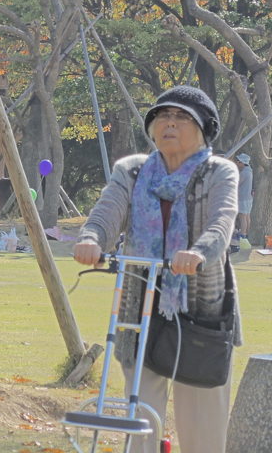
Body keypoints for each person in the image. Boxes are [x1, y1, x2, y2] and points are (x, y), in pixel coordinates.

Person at [73, 85, 240, 453]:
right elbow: (106, 213)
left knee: (202, 420)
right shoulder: (132, 171)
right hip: (140, 303)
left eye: (182, 117)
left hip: (200, 306)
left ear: (202, 129)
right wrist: (92, 239)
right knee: (140, 410)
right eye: (162, 116)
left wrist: (198, 253)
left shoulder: (219, 172)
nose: (169, 123)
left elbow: (222, 222)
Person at [232, 152, 253, 251]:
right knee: (247, 217)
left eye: (238, 162)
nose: (237, 163)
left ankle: (243, 237)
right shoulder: (250, 171)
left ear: (242, 163)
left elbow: (236, 183)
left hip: (242, 198)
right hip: (248, 197)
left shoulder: (244, 173)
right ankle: (246, 236)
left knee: (242, 217)